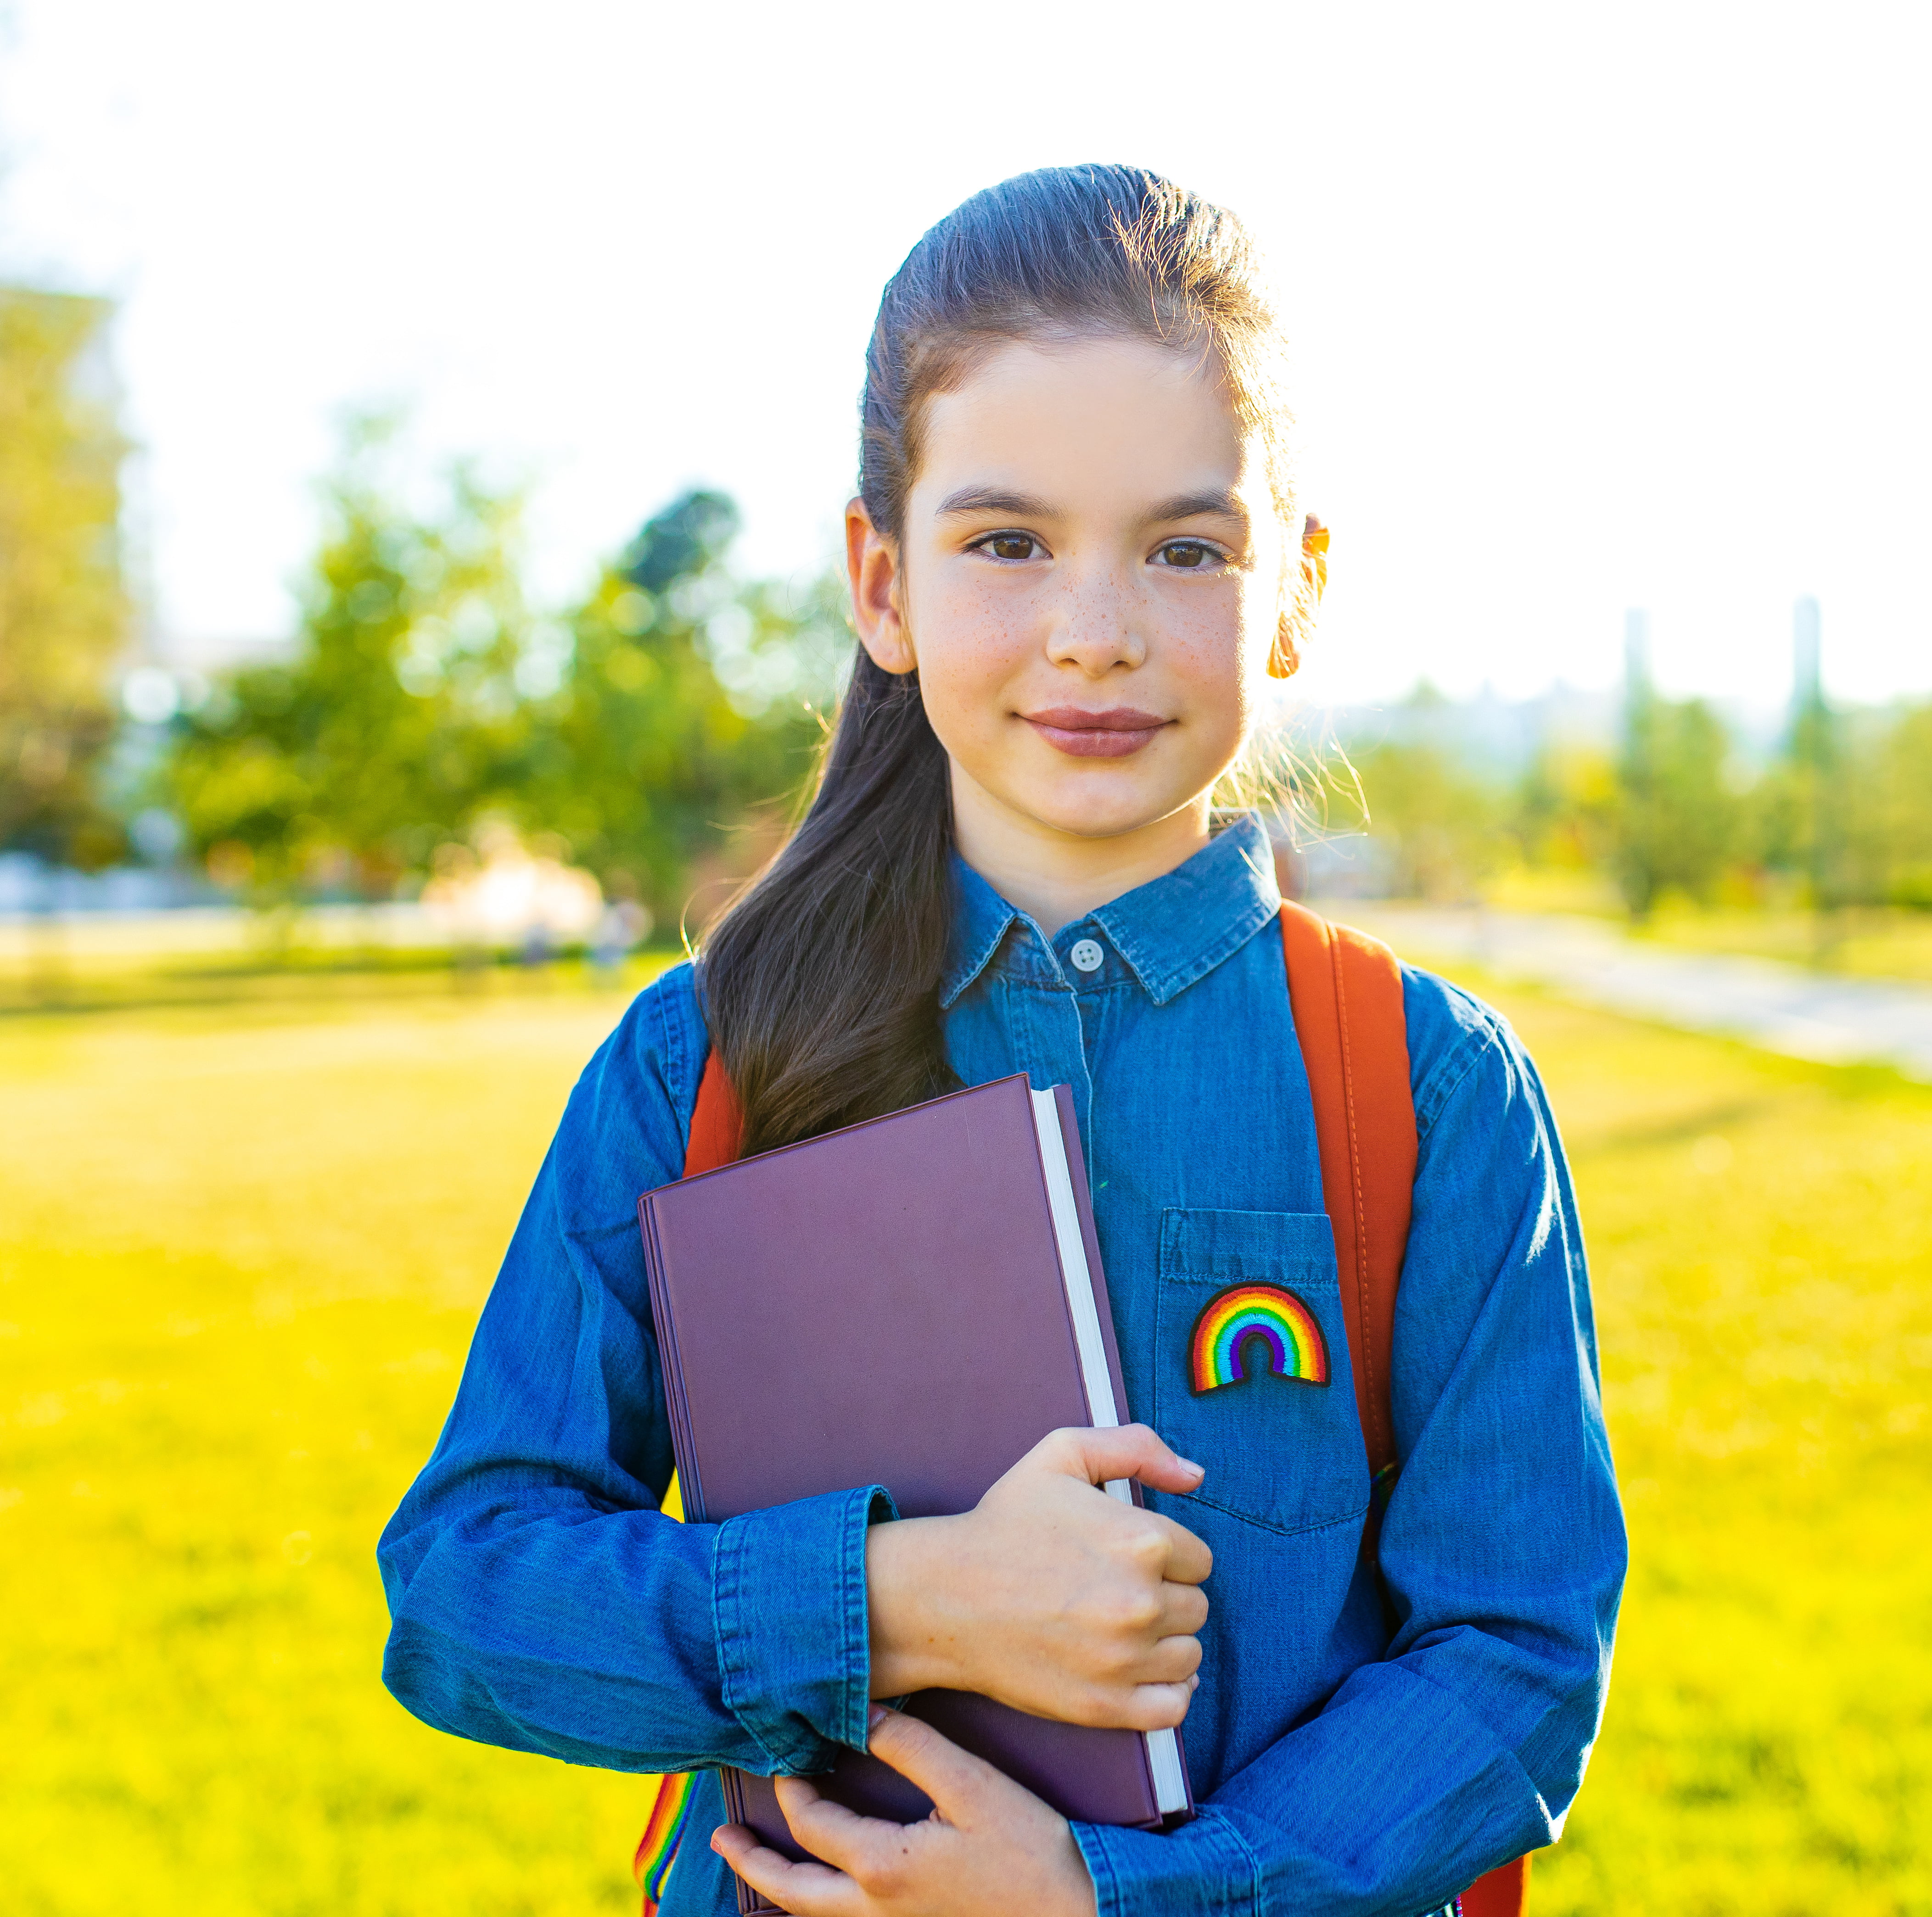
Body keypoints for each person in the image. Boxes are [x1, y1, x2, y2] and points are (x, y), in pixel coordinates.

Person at [377, 166, 1626, 1917]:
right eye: (1007, 541)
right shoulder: (701, 1062)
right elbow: (464, 1594)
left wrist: (1109, 1897)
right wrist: (903, 1596)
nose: (1095, 629)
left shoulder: (1421, 1088)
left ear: (1295, 588)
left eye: (1185, 547)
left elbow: (1515, 1660)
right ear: (881, 583)